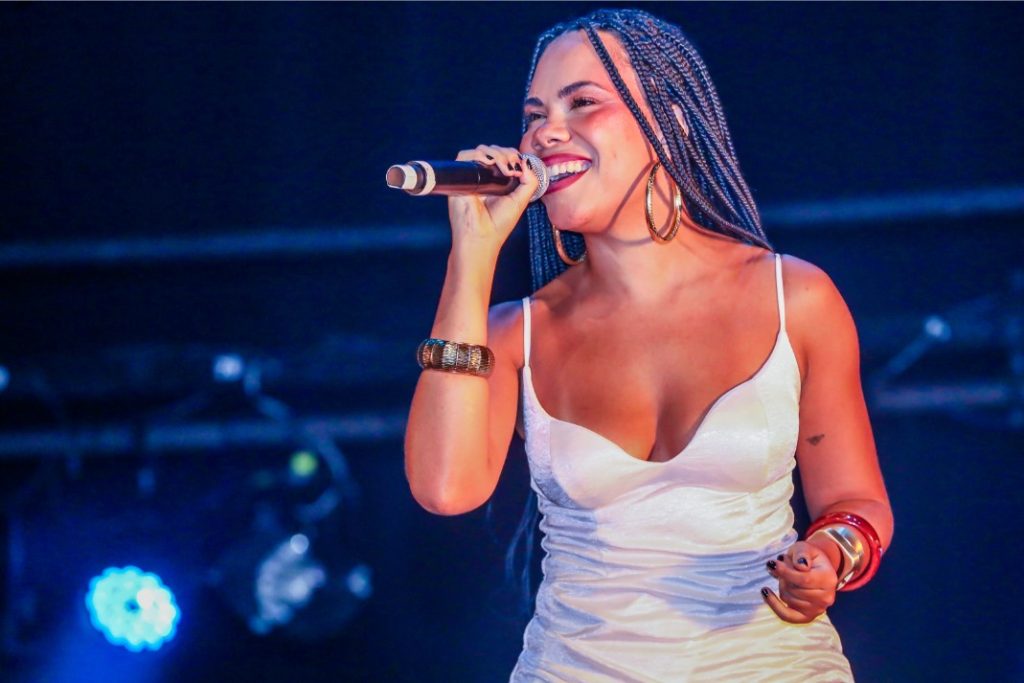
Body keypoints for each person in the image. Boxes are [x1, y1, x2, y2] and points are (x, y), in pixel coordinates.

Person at [404, 8, 894, 681]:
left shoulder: (795, 298)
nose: (546, 132)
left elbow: (857, 502)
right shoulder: (517, 332)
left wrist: (830, 555)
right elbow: (444, 488)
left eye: (582, 103)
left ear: (670, 121)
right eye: (534, 115)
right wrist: (473, 254)